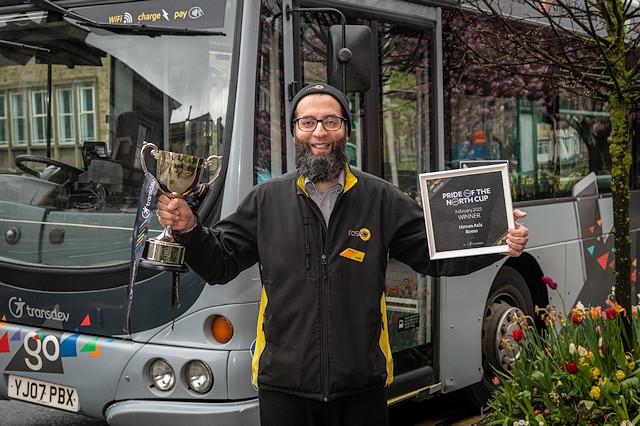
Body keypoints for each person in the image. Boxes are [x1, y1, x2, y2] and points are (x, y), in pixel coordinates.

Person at [156, 83, 529, 426]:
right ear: (294, 132)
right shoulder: (266, 200)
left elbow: (436, 254)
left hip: (361, 386)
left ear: (346, 130)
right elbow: (220, 263)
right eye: (308, 122)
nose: (319, 132)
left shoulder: (381, 199)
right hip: (284, 388)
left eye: (330, 121)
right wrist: (190, 230)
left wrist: (496, 240)